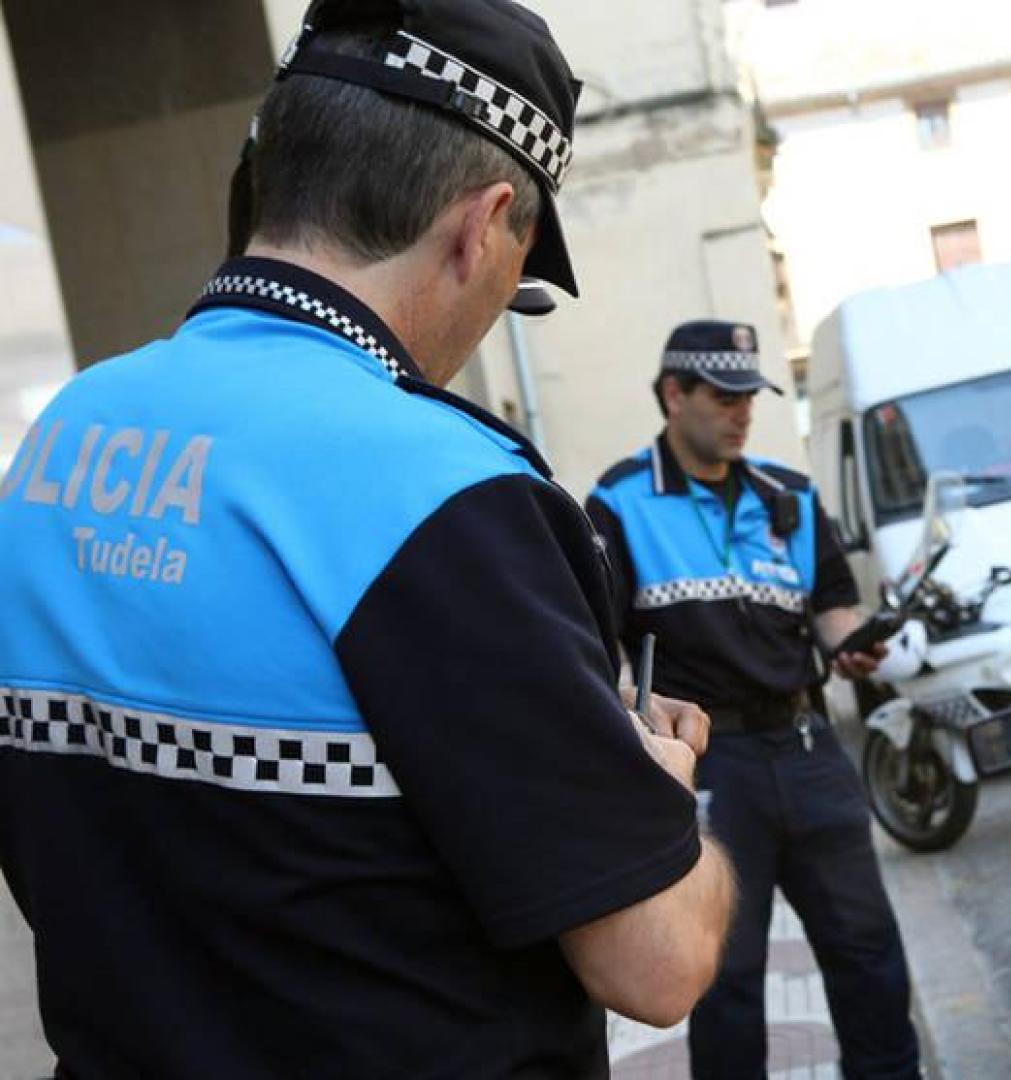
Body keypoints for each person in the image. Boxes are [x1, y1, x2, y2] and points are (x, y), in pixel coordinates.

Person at [0, 2, 734, 1075]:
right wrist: (656, 788)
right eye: (511, 284)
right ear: (482, 226)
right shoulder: (440, 490)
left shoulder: (64, 439)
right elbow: (656, 966)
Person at [586, 322, 921, 1079]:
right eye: (725, 396)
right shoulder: (617, 502)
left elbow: (832, 605)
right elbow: (595, 650)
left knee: (867, 948)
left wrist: (851, 642)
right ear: (674, 395)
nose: (743, 413)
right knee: (725, 979)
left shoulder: (790, 495)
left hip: (809, 748)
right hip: (711, 771)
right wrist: (645, 719)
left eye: (752, 397)